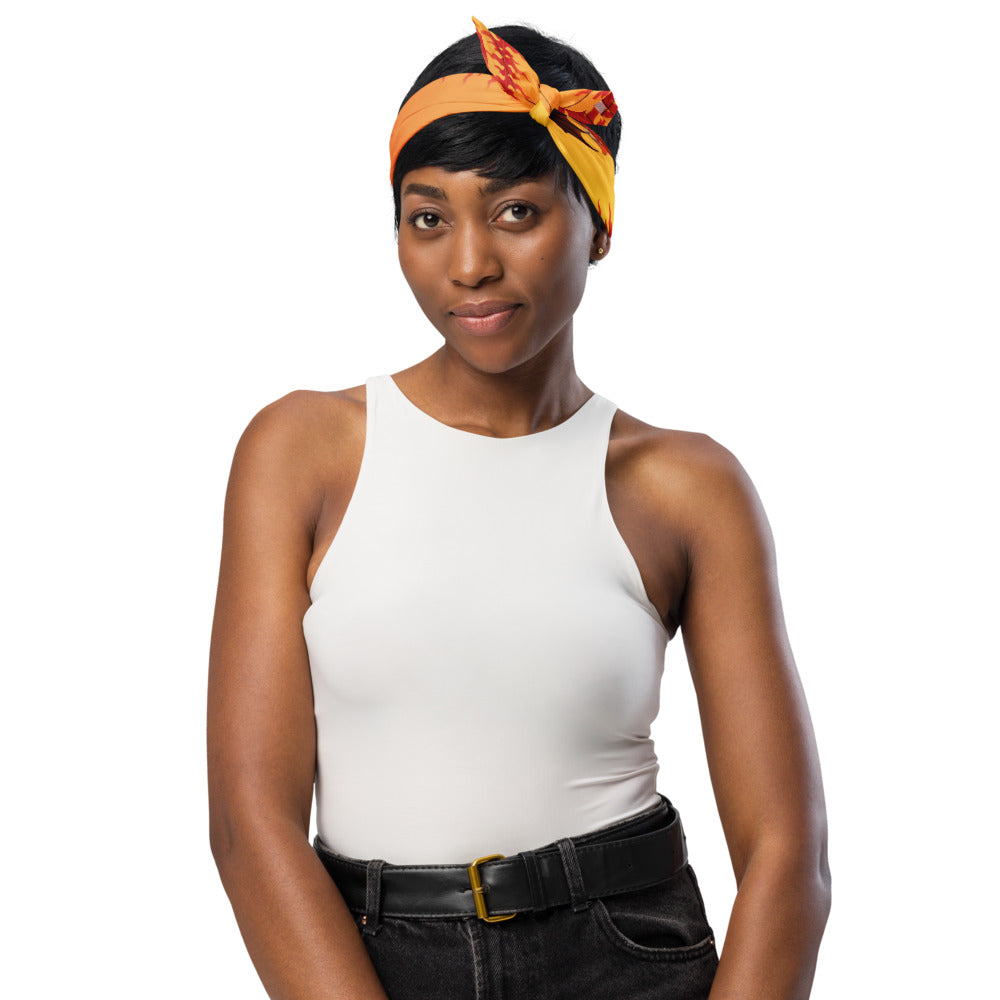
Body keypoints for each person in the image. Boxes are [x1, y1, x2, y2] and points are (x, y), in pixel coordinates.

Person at [208, 17, 830, 1000]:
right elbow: (251, 822)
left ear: (599, 222)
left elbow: (787, 853)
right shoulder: (302, 453)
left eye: (515, 212)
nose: (469, 264)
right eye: (428, 218)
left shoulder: (686, 487)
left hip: (626, 954)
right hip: (371, 959)